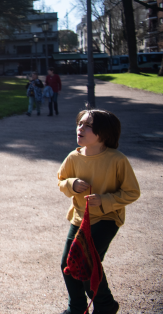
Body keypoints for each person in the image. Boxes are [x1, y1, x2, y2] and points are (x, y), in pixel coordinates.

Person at [57, 109, 140, 314]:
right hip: (79, 218)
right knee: (68, 263)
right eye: (80, 123)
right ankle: (76, 308)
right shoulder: (73, 157)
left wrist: (104, 200)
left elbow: (132, 192)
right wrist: (72, 184)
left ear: (104, 133)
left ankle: (105, 305)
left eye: (88, 125)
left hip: (106, 218)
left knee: (86, 263)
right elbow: (61, 181)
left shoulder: (117, 160)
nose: (80, 128)